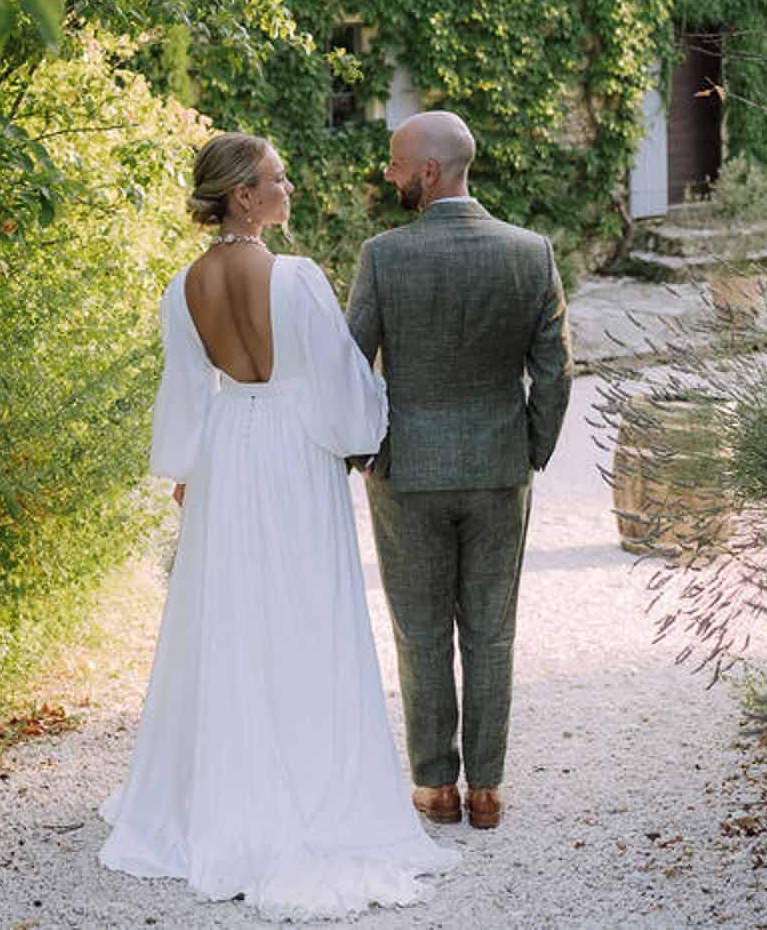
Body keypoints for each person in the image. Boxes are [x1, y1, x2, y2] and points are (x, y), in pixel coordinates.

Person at [99, 132, 459, 921]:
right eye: (276, 177)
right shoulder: (297, 278)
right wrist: (363, 438)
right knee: (307, 615)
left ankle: (225, 786)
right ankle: (309, 776)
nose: (287, 186)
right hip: (293, 454)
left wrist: (192, 470)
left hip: (229, 451)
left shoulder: (183, 285)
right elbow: (341, 384)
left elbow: (188, 393)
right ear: (243, 197)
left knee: (231, 615)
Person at [345, 111, 572, 832]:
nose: (387, 175)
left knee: (418, 633)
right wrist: (530, 447)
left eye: (394, 164)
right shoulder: (530, 252)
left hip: (406, 472)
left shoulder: (383, 256)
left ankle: (435, 788)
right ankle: (488, 791)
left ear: (429, 173)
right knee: (491, 630)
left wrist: (364, 451)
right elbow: (556, 370)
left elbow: (350, 364)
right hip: (498, 469)